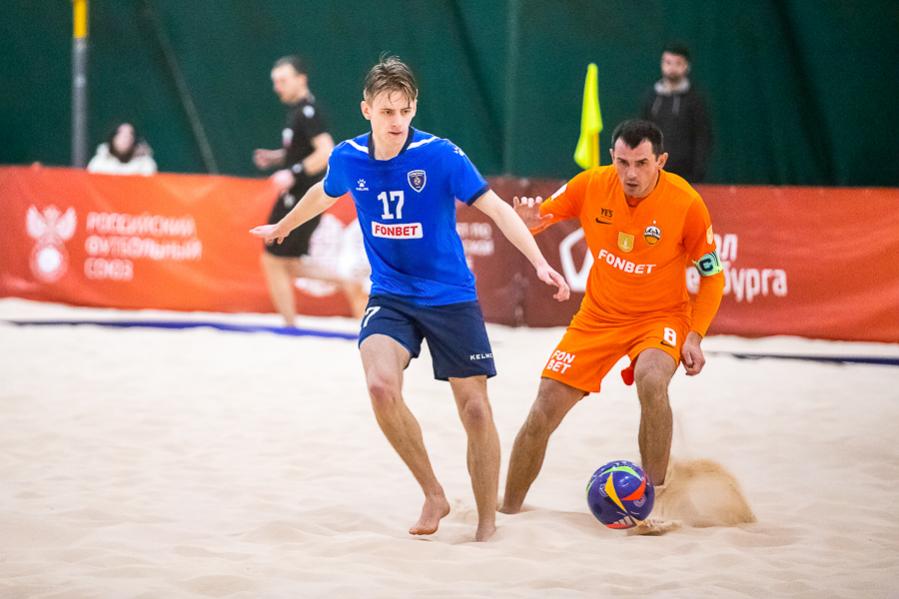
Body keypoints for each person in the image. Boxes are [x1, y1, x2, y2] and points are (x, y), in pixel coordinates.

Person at [251, 55, 570, 541]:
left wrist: (539, 261)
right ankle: (434, 494)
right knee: (380, 387)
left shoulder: (441, 155)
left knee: (475, 409)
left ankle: (486, 528)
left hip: (450, 296)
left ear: (414, 107)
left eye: (404, 110)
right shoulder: (348, 157)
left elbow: (498, 210)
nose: (397, 121)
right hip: (391, 295)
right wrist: (283, 225)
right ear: (366, 110)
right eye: (386, 111)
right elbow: (323, 192)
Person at [499, 120, 725, 534]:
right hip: (598, 317)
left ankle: (653, 503)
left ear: (661, 161)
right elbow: (540, 216)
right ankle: (506, 511)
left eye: (641, 163)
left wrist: (695, 335)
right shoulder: (591, 184)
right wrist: (528, 220)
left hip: (660, 318)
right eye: (622, 162)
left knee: (651, 378)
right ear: (611, 158)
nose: (631, 174)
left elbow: (712, 276)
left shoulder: (686, 202)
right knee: (544, 405)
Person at [253, 55, 335, 327]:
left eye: (283, 80)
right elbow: (303, 150)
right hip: (298, 194)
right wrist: (278, 157)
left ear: (301, 79)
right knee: (286, 262)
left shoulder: (308, 112)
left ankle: (290, 327)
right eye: (275, 81)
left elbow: (326, 152)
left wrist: (292, 172)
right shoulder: (298, 112)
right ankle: (350, 280)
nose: (277, 87)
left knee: (274, 260)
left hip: (302, 197)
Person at [640, 44, 712, 183]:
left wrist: (698, 171)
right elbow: (643, 133)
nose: (672, 68)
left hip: (686, 174)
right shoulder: (651, 97)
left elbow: (703, 136)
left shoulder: (695, 99)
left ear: (686, 66)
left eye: (678, 63)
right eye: (668, 62)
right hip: (654, 170)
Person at [86, 122, 157, 175]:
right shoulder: (99, 163)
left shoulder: (145, 164)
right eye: (120, 134)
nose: (125, 139)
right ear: (112, 138)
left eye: (130, 134)